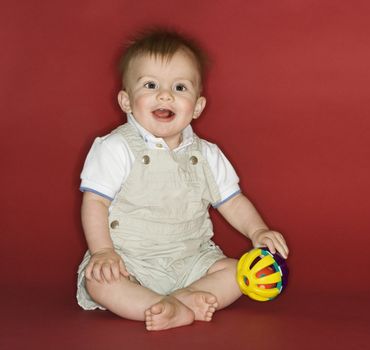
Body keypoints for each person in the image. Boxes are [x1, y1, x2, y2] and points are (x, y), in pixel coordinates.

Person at [76, 28, 289, 331]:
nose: (165, 95)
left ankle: (181, 299)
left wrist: (258, 231)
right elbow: (95, 201)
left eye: (179, 87)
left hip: (191, 259)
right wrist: (102, 252)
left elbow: (232, 201)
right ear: (126, 100)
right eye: (150, 85)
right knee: (100, 282)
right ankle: (161, 305)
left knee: (236, 272)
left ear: (198, 106)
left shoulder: (206, 154)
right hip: (131, 259)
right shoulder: (116, 148)